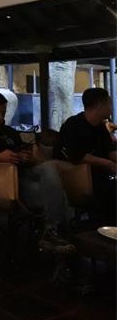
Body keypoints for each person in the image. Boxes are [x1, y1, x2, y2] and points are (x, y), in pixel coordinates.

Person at [0, 91, 74, 253]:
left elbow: (24, 153)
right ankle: (55, 232)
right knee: (56, 195)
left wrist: (26, 157)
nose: (1, 117)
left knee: (50, 168)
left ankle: (52, 231)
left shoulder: (10, 132)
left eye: (3, 113)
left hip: (21, 173)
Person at [54, 87, 117, 223]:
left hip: (100, 175)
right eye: (109, 103)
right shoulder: (73, 124)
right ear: (100, 105)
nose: (111, 107)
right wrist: (109, 164)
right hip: (77, 176)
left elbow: (110, 152)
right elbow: (77, 155)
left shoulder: (100, 127)